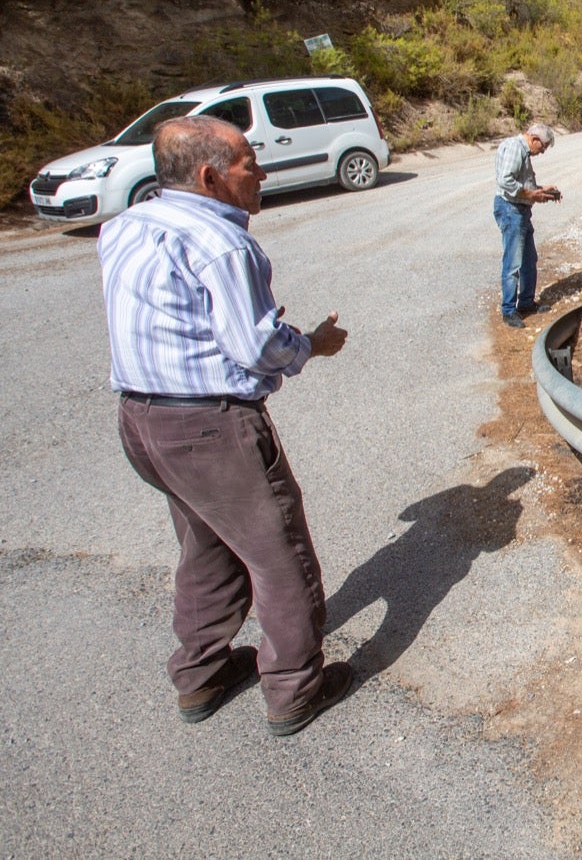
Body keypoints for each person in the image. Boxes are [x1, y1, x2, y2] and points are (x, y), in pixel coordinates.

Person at [99, 114, 353, 737]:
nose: (262, 173)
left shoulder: (126, 226)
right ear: (211, 177)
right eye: (250, 164)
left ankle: (202, 674)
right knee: (278, 555)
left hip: (142, 419)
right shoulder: (222, 243)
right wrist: (309, 343)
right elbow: (255, 347)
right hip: (209, 427)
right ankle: (295, 688)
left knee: (206, 544)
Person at [493, 120, 561, 328]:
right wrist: (532, 194)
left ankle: (526, 303)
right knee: (513, 263)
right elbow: (505, 181)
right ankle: (509, 311)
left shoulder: (523, 151)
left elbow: (521, 183)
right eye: (543, 147)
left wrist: (542, 190)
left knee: (529, 259)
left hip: (520, 210)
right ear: (535, 139)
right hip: (510, 210)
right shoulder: (515, 147)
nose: (542, 152)